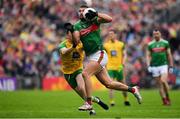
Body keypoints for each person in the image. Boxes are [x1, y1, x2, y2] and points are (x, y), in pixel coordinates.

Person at [73, 5, 142, 110]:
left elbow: (109, 19)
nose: (81, 12)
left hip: (99, 54)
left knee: (85, 73)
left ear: (87, 11)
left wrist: (96, 13)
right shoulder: (77, 25)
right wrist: (72, 32)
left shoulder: (94, 20)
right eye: (79, 11)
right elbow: (76, 41)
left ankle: (89, 103)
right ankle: (133, 89)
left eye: (83, 10)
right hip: (92, 57)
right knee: (108, 84)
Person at [57, 23, 109, 111]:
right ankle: (96, 99)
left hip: (78, 69)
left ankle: (91, 108)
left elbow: (91, 49)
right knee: (82, 94)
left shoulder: (81, 43)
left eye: (74, 34)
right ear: (67, 35)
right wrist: (73, 47)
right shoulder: (63, 44)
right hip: (67, 73)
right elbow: (64, 52)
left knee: (81, 88)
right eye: (71, 34)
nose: (73, 36)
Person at [146, 29, 174, 105]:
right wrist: (148, 65)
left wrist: (171, 66)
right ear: (153, 35)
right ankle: (164, 100)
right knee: (159, 85)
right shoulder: (150, 44)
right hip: (154, 66)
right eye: (154, 34)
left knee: (163, 81)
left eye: (157, 34)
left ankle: (168, 96)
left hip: (163, 65)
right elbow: (148, 55)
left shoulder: (165, 43)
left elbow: (169, 55)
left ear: (160, 34)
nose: (156, 35)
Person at [104, 30, 130, 106]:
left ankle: (126, 99)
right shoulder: (105, 45)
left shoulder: (121, 44)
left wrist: (123, 63)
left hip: (119, 67)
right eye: (109, 34)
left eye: (112, 34)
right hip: (110, 67)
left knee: (123, 84)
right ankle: (112, 101)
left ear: (115, 35)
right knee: (110, 84)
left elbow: (125, 54)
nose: (111, 35)